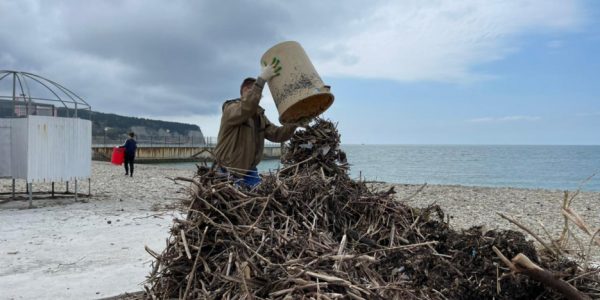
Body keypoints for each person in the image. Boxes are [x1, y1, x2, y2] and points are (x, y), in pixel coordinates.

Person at [214, 57, 298, 188]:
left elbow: (278, 135)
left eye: (260, 94)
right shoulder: (231, 109)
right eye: (255, 91)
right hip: (227, 171)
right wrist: (261, 80)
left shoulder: (259, 117)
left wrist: (295, 122)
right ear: (245, 90)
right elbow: (247, 107)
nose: (259, 96)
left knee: (260, 202)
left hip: (249, 172)